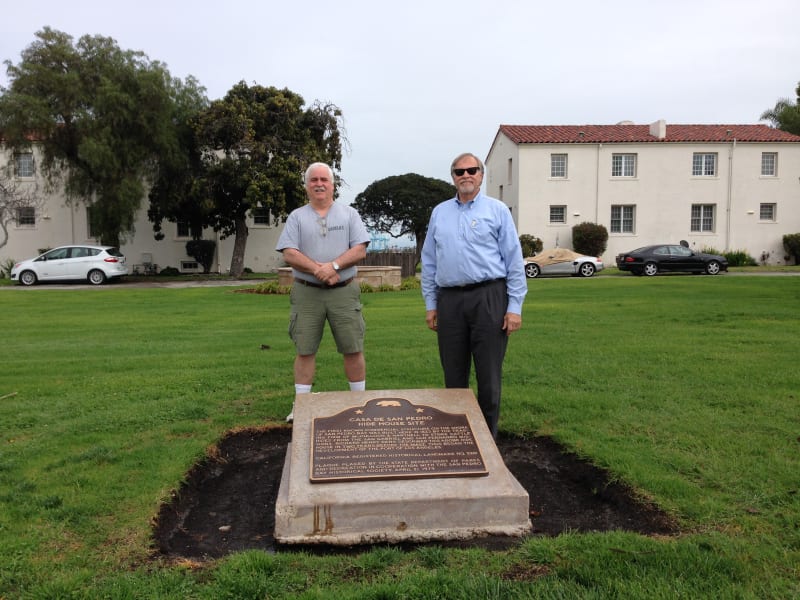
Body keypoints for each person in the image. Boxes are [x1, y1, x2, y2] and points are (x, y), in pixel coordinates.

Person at [421, 152, 527, 438]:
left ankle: (487, 441)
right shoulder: (439, 212)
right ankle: (459, 440)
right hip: (450, 301)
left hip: (489, 298)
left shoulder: (497, 210)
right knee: (454, 378)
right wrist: (431, 305)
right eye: (459, 172)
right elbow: (429, 261)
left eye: (471, 170)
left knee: (489, 377)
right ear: (453, 177)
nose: (465, 175)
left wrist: (514, 307)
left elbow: (514, 261)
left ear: (481, 175)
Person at [276, 162, 371, 422]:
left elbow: (360, 249)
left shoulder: (349, 215)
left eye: (324, 180)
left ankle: (359, 403)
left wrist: (334, 266)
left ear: (332, 184)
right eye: (313, 180)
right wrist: (318, 270)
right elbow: (289, 252)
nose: (319, 184)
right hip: (307, 292)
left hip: (344, 291)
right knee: (305, 349)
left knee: (352, 347)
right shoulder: (297, 217)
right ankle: (302, 406)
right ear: (307, 185)